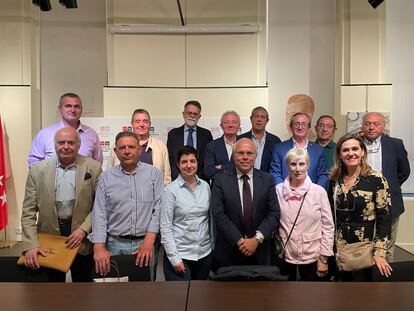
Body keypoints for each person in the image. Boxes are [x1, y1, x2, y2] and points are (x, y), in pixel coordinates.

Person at [21, 127, 102, 282]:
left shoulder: (94, 167)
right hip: (48, 239)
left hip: (82, 239)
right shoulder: (37, 171)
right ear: (54, 145)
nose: (66, 146)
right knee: (51, 293)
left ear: (79, 145)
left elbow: (100, 206)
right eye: (61, 142)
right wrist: (30, 244)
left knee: (83, 290)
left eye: (71, 142)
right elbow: (28, 212)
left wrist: (84, 229)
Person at [89, 131, 163, 280]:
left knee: (145, 292)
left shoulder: (154, 174)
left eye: (131, 147)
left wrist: (149, 241)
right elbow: (99, 214)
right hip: (114, 245)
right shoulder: (106, 178)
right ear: (116, 151)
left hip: (145, 245)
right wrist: (99, 247)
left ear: (139, 150)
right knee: (115, 293)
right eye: (122, 148)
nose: (127, 151)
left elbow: (159, 208)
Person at [329, 133, 392, 281]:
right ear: (339, 154)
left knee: (364, 298)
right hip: (338, 250)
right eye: (345, 150)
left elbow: (385, 218)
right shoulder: (334, 181)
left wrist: (380, 252)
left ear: (362, 152)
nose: (350, 153)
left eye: (355, 149)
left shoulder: (376, 180)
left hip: (364, 252)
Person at [211, 138, 279, 270]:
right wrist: (240, 241)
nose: (245, 157)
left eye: (249, 153)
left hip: (260, 251)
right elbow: (219, 214)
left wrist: (256, 240)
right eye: (240, 153)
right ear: (233, 155)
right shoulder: (220, 180)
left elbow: (274, 213)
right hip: (229, 252)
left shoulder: (267, 179)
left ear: (255, 156)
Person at [275, 148, 334, 281]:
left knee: (310, 298)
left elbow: (328, 227)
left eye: (301, 164)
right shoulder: (277, 191)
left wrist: (324, 259)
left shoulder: (319, 192)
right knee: (284, 298)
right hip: (285, 256)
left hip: (312, 257)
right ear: (287, 167)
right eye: (293, 164)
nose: (297, 169)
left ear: (308, 165)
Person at [362, 112, 410, 262]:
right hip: (362, 203)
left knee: (387, 247)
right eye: (368, 123)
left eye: (376, 124)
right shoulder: (354, 144)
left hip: (390, 203)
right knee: (364, 247)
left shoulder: (395, 144)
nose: (371, 127)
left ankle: (385, 282)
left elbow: (404, 171)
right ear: (363, 126)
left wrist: (390, 188)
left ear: (383, 127)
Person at [161, 146, 213, 281]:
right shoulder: (171, 190)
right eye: (184, 162)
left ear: (197, 163)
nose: (189, 165)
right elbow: (165, 227)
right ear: (178, 165)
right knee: (179, 300)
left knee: (201, 300)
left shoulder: (206, 187)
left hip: (204, 255)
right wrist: (174, 258)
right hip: (180, 256)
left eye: (192, 161)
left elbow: (208, 220)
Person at [28, 93, 103, 167]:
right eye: (68, 106)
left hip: (82, 179)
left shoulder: (92, 134)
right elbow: (34, 163)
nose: (73, 110)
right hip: (51, 179)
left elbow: (97, 164)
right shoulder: (44, 134)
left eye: (77, 106)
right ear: (60, 109)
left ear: (81, 109)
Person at [107, 109, 171, 186]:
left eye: (145, 121)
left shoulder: (160, 146)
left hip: (152, 195)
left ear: (150, 124)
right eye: (137, 121)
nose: (141, 124)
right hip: (122, 194)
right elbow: (109, 173)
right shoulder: (118, 145)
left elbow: (166, 177)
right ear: (132, 124)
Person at [270, 112, 328, 189]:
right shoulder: (279, 148)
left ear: (309, 128)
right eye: (296, 124)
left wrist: (314, 192)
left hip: (312, 196)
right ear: (290, 127)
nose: (300, 127)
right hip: (285, 195)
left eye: (304, 124)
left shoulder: (318, 150)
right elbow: (275, 173)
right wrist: (284, 191)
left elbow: (323, 175)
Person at [167, 100, 213, 182]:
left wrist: (197, 180)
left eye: (195, 114)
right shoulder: (173, 134)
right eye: (189, 113)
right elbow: (171, 160)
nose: (192, 116)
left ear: (199, 116)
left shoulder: (206, 135)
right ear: (183, 114)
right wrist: (179, 179)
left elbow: (207, 160)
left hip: (200, 182)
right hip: (178, 182)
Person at [239, 106, 281, 172]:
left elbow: (277, 165)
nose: (259, 119)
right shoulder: (241, 139)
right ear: (251, 119)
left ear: (267, 121)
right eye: (256, 116)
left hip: (267, 180)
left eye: (263, 117)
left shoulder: (275, 141)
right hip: (245, 179)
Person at [204, 111, 240, 182]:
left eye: (234, 122)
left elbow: (248, 168)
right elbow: (208, 172)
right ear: (221, 126)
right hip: (219, 190)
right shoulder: (212, 146)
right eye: (226, 122)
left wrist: (221, 167)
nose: (230, 125)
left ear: (238, 126)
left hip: (240, 189)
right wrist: (235, 167)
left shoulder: (245, 145)